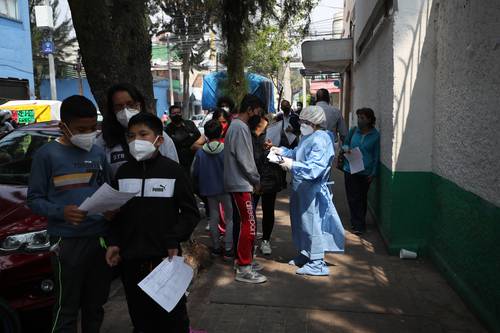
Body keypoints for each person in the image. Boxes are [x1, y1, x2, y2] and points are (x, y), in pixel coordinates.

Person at [105, 113, 199, 333]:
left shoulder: (173, 171)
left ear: (159, 139)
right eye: (131, 135)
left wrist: (173, 236)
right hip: (130, 260)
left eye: (143, 134)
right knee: (140, 319)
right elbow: (116, 216)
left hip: (164, 260)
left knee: (173, 319)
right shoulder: (123, 172)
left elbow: (191, 213)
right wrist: (114, 242)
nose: (136, 140)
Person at [27, 95, 113, 332]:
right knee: (67, 306)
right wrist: (61, 212)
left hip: (99, 239)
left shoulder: (97, 154)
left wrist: (110, 211)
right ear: (62, 126)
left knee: (95, 305)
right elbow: (34, 199)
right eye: (81, 129)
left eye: (92, 128)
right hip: (66, 241)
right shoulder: (47, 155)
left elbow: (105, 189)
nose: (88, 133)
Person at [271, 106, 345, 276]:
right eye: (301, 121)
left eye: (305, 122)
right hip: (301, 188)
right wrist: (282, 151)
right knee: (301, 223)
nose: (302, 124)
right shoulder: (308, 136)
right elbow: (298, 154)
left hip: (312, 190)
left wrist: (291, 165)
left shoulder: (321, 139)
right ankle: (306, 253)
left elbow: (315, 169)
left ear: (314, 123)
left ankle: (317, 262)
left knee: (313, 224)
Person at [224, 94, 266, 284]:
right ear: (250, 109)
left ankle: (243, 260)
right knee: (249, 224)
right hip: (241, 183)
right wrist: (256, 179)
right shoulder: (240, 127)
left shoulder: (235, 126)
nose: (259, 115)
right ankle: (244, 267)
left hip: (238, 182)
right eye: (257, 111)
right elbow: (245, 159)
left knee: (246, 223)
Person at [96, 83, 179, 177]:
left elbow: (173, 171)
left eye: (130, 104)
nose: (125, 111)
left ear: (139, 105)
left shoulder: (159, 136)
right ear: (112, 110)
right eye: (119, 107)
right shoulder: (104, 140)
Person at [192, 119, 234, 259]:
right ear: (221, 132)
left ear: (206, 134)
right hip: (226, 188)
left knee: (214, 218)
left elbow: (194, 172)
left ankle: (216, 247)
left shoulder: (200, 152)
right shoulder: (226, 150)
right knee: (230, 218)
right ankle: (228, 248)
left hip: (208, 189)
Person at [249, 115, 286, 255]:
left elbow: (287, 150)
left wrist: (274, 147)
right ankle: (250, 241)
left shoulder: (277, 133)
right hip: (253, 179)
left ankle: (265, 240)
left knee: (268, 210)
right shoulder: (249, 136)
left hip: (270, 179)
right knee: (250, 212)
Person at [343, 108, 380, 235]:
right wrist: (346, 148)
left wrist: (374, 172)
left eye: (362, 118)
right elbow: (345, 143)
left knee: (362, 197)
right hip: (350, 168)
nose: (359, 120)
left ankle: (359, 221)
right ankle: (357, 223)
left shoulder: (375, 135)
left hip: (366, 171)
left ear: (369, 120)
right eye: (358, 117)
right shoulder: (354, 131)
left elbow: (376, 155)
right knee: (352, 197)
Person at [165, 105, 205, 174]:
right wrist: (189, 139)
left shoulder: (190, 124)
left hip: (194, 160)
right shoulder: (168, 129)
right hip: (178, 162)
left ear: (181, 113)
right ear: (170, 115)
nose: (177, 115)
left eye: (178, 112)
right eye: (174, 113)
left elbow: (199, 138)